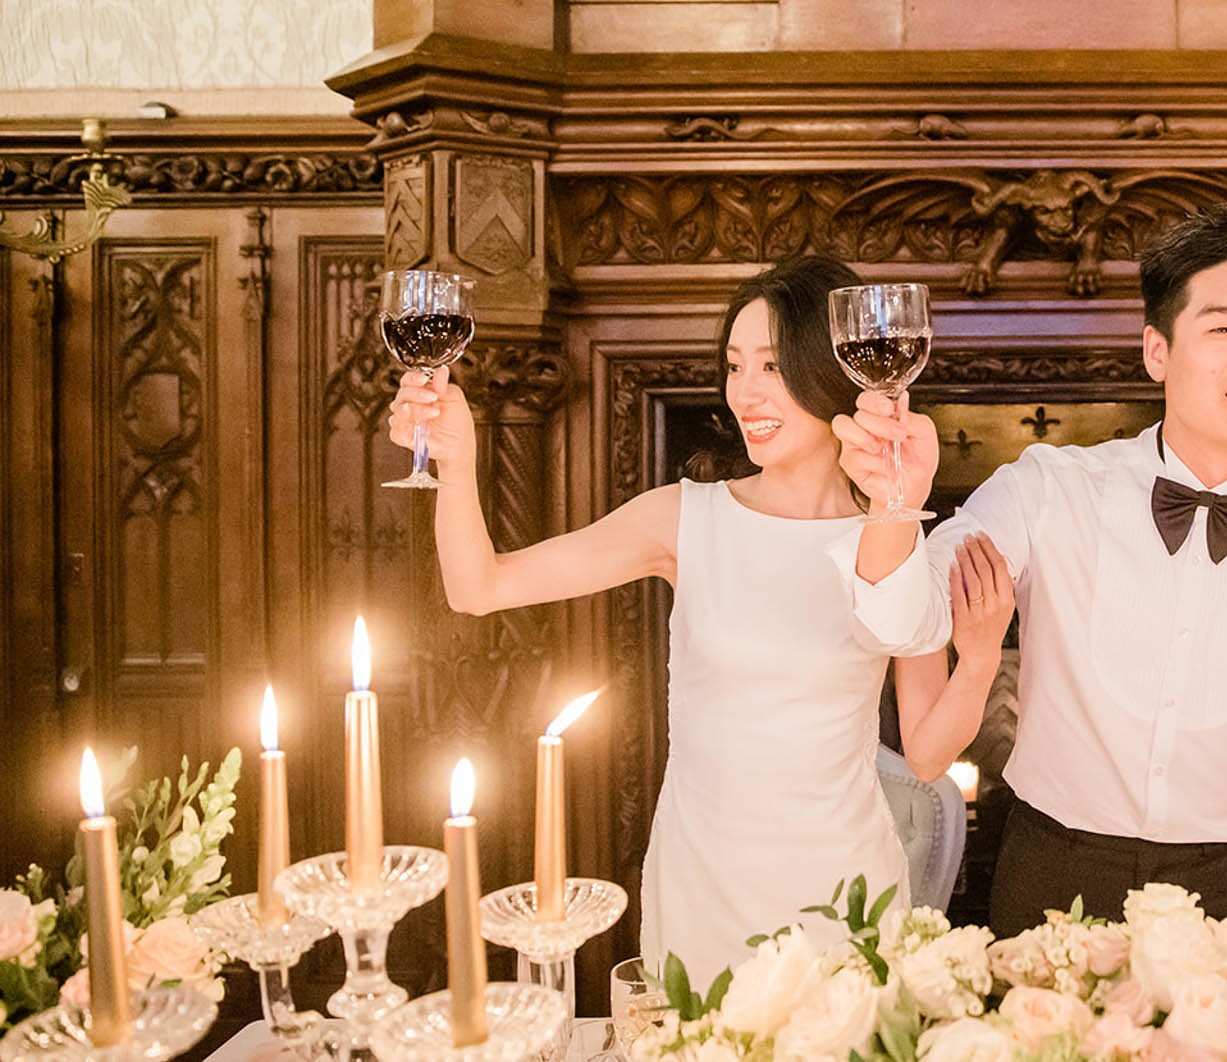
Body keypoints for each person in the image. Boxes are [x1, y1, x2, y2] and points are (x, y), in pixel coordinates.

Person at [385, 256, 993, 982]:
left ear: (835, 371)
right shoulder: (685, 519)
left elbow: (926, 757)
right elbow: (479, 588)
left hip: (845, 889)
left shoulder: (895, 534)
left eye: (772, 366)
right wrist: (455, 466)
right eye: (735, 366)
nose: (745, 392)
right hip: (704, 886)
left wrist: (982, 658)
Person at [897, 205, 1227, 934]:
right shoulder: (1048, 489)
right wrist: (893, 503)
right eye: (1224, 330)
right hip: (1051, 878)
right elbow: (915, 607)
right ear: (1156, 352)